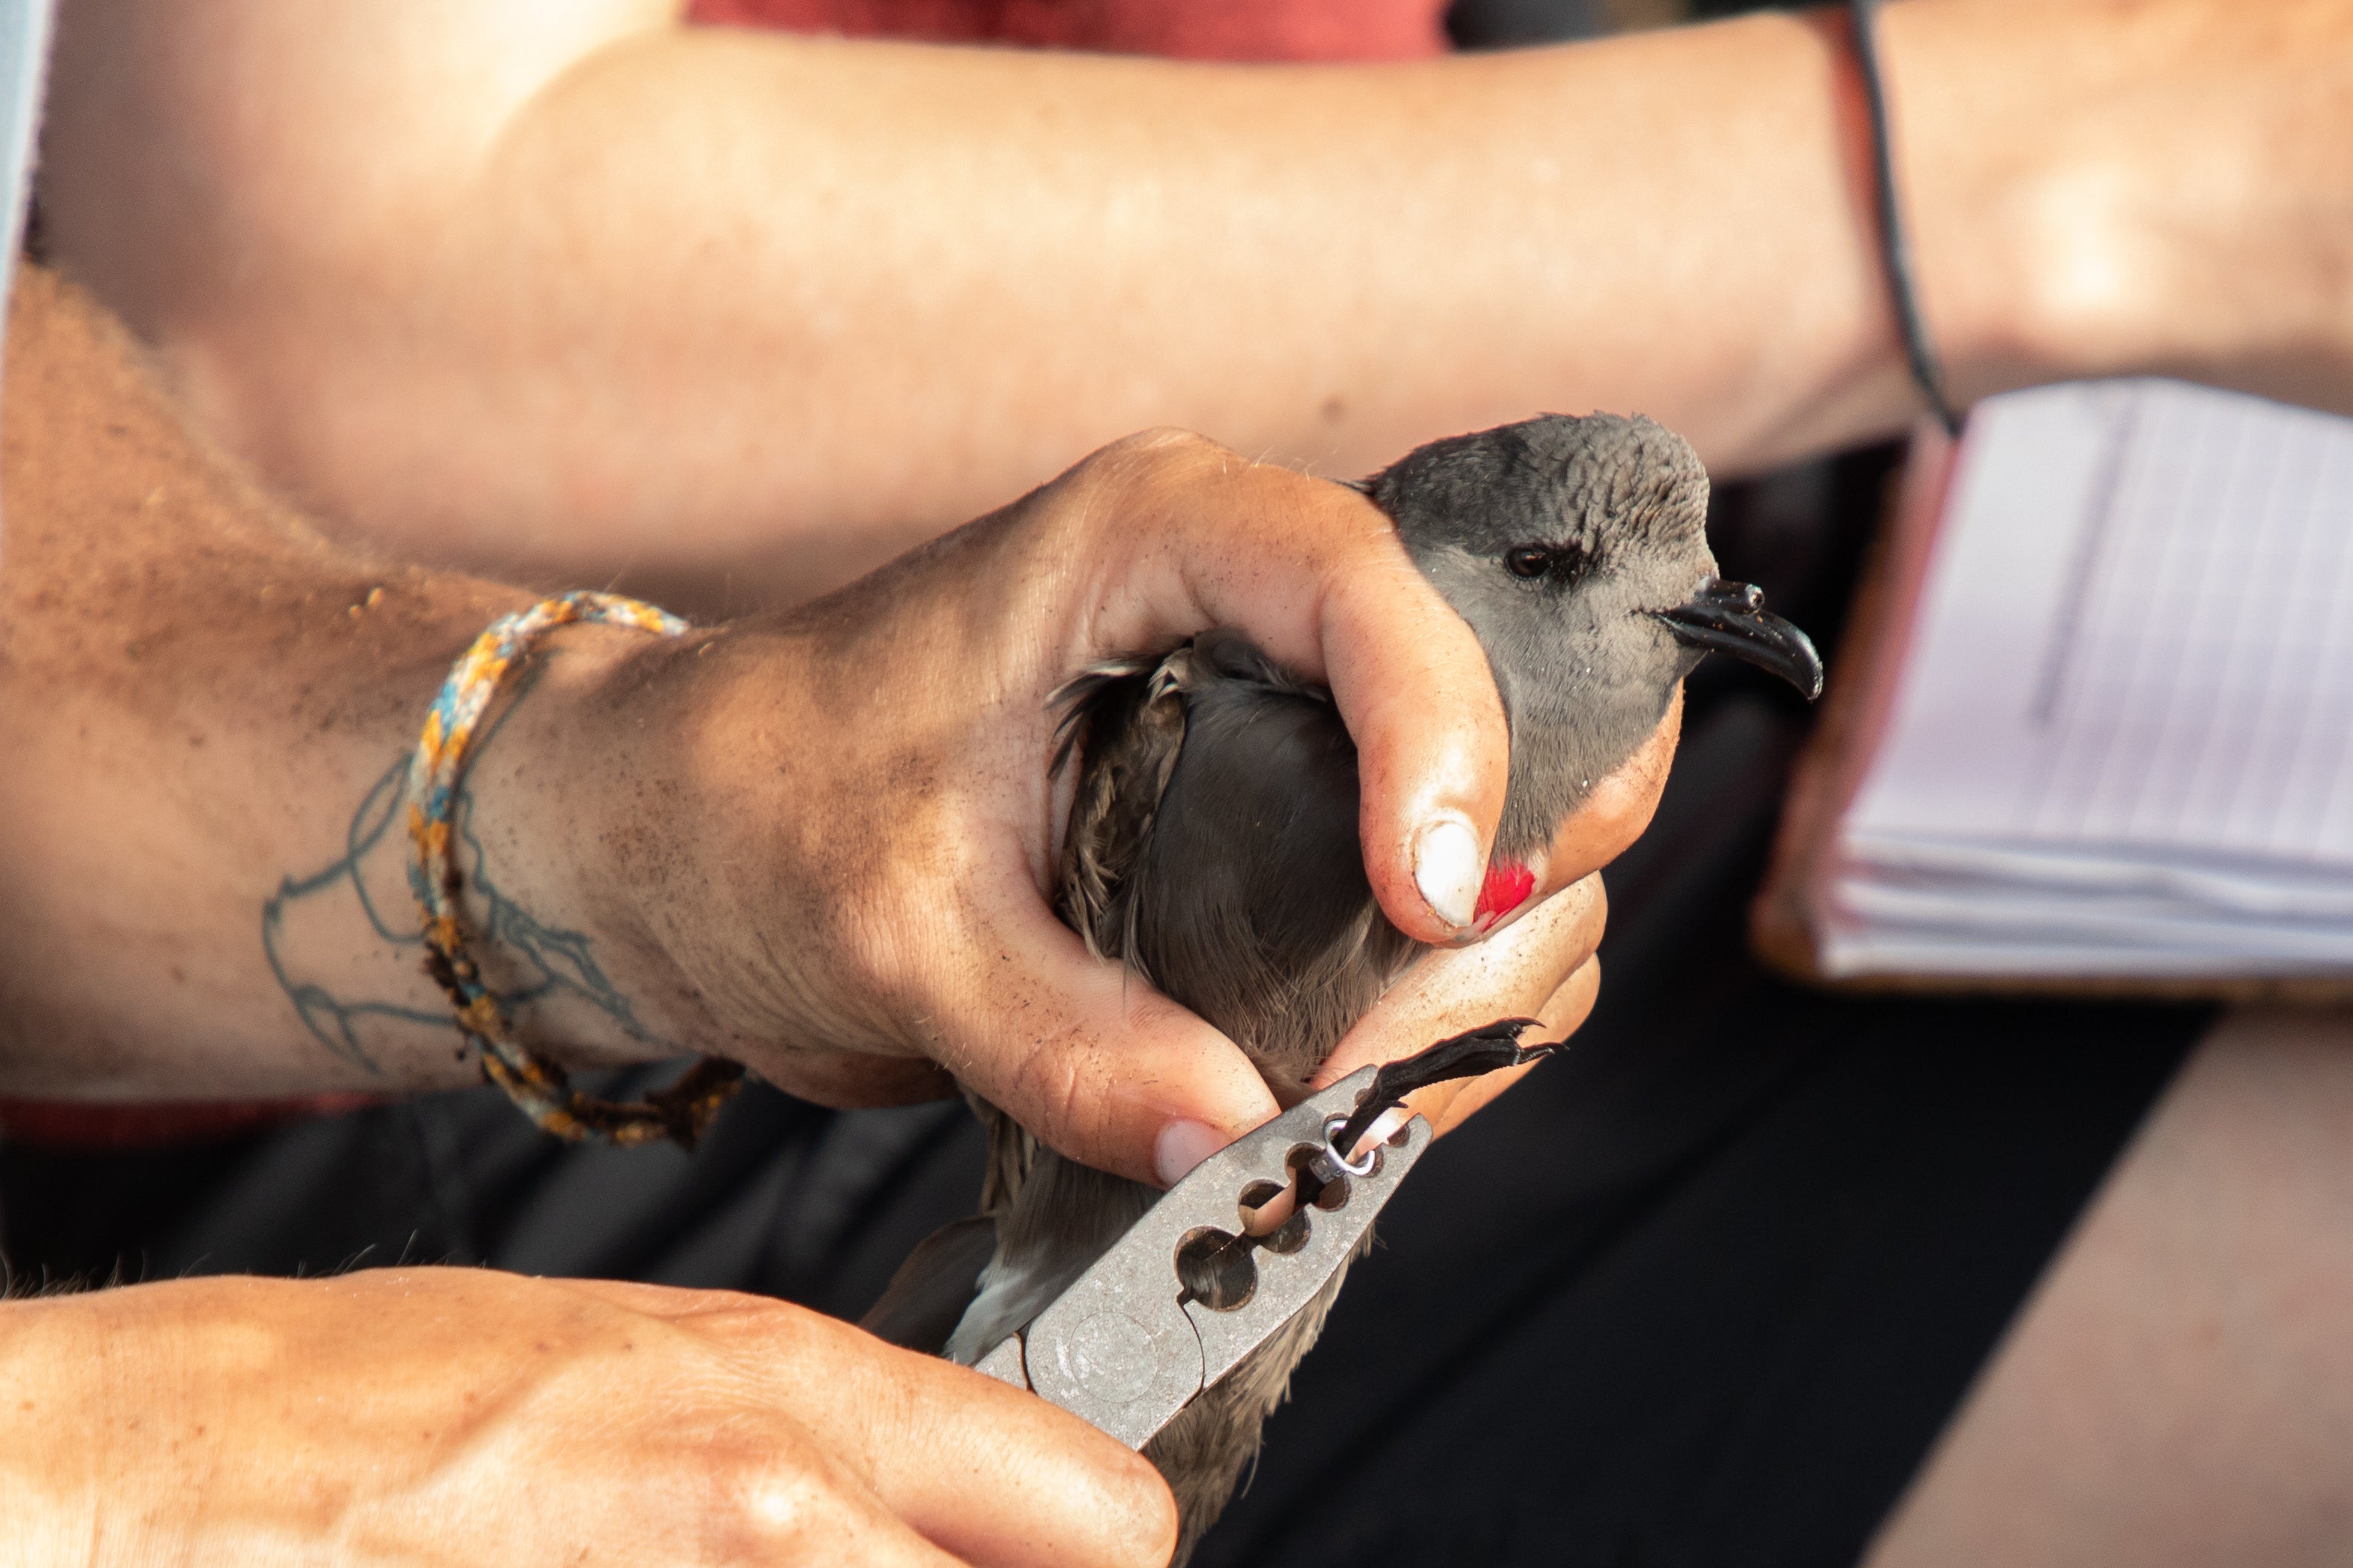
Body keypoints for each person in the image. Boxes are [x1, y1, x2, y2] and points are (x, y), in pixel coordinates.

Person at [10, 0, 2353, 1563]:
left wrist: (628, 800)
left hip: (600, 828)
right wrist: (109, 1460)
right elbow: (302, 309)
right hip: (358, 1163)